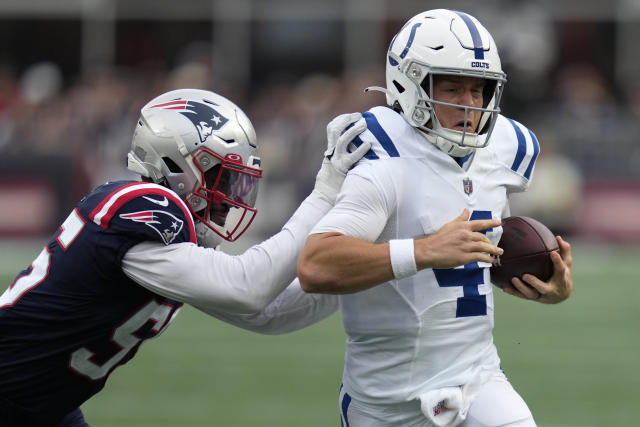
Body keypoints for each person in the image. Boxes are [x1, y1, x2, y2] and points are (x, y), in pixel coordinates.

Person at [0, 88, 370, 427]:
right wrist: (325, 193)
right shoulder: (142, 204)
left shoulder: (172, 238)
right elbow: (249, 287)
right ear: (177, 164)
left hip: (45, 406)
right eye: (225, 179)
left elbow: (268, 312)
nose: (233, 196)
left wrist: (370, 268)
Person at [293, 9, 573, 427]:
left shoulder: (507, 149)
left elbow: (488, 251)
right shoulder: (382, 160)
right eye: (452, 88)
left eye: (479, 90)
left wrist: (540, 281)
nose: (470, 105)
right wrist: (423, 251)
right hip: (385, 402)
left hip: (479, 380)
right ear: (410, 85)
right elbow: (315, 265)